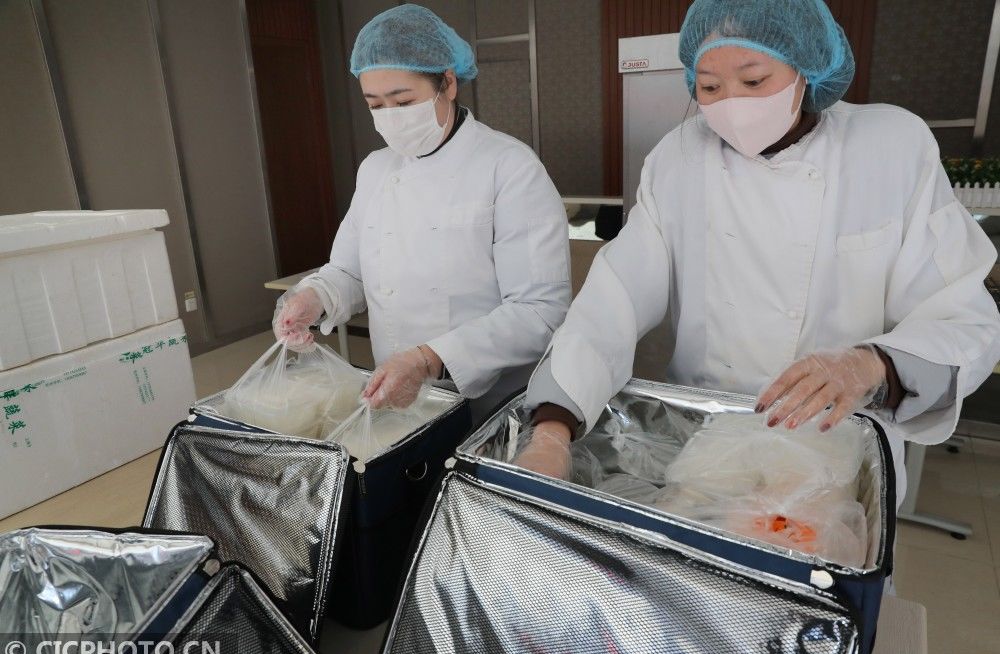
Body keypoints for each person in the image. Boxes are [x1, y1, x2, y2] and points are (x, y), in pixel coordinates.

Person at [515, 0, 1000, 505]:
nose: (732, 105)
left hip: (836, 452)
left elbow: (963, 316)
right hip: (709, 446)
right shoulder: (678, 158)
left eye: (753, 81)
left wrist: (870, 366)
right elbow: (613, 299)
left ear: (807, 68)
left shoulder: (890, 147)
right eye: (709, 87)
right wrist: (552, 428)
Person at [273, 4, 571, 419]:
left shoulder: (509, 167)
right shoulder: (375, 169)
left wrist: (428, 359)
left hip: (489, 400)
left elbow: (540, 311)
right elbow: (350, 271)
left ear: (447, 82)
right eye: (375, 104)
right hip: (395, 393)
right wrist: (315, 297)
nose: (390, 117)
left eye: (403, 100)